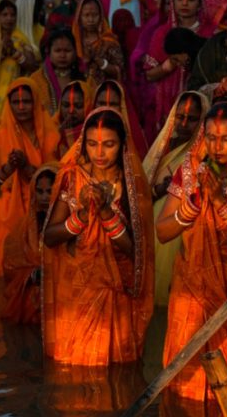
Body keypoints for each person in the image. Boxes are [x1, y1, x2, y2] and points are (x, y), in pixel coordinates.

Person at [155, 102, 227, 414]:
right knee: (186, 382)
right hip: (191, 290)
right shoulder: (190, 172)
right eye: (211, 137)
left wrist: (220, 201)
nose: (217, 147)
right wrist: (190, 210)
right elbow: (163, 231)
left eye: (226, 139)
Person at [42, 108, 154, 366]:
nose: (99, 153)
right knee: (74, 369)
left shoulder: (133, 185)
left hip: (116, 294)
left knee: (113, 370)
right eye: (92, 144)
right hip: (76, 293)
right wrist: (81, 217)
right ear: (83, 145)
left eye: (109, 144)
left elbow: (136, 251)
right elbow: (49, 237)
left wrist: (104, 212)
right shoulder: (73, 178)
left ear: (122, 145)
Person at [0, 78, 60, 277]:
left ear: (35, 102)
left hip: (44, 207)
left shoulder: (51, 136)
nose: (22, 107)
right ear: (9, 104)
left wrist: (27, 167)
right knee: (5, 273)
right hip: (8, 212)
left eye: (27, 101)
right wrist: (9, 167)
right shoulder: (1, 136)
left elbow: (57, 175)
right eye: (16, 102)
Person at [143, 91, 209, 306]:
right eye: (180, 117)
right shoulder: (161, 148)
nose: (183, 123)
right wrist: (158, 191)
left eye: (191, 119)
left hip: (182, 233)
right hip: (153, 229)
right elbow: (141, 190)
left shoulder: (204, 153)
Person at [140, 0, 216, 140]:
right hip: (167, 104)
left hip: (200, 102)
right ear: (172, 1)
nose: (185, 3)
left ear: (200, 3)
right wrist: (170, 64)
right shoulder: (161, 33)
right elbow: (149, 75)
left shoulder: (210, 33)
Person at [2, 164, 58, 325]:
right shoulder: (23, 228)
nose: (45, 197)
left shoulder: (68, 223)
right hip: (33, 292)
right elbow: (10, 264)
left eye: (50, 191)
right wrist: (32, 274)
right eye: (40, 192)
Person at [0, 0, 38, 128]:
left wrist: (14, 53)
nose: (9, 19)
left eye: (12, 15)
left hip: (15, 95)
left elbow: (32, 66)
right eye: (4, 15)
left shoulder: (21, 39)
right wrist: (0, 54)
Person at [29, 28, 84, 116]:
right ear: (49, 52)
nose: (62, 55)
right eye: (57, 51)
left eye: (67, 51)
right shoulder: (36, 79)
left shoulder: (85, 77)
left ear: (75, 52)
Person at [72, 0, 124, 84]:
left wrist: (99, 61)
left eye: (95, 15)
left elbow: (119, 71)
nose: (91, 20)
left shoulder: (109, 41)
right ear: (79, 17)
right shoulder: (73, 40)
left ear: (101, 16)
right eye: (86, 15)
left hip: (104, 92)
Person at [92, 80, 149, 157]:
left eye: (113, 104)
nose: (107, 109)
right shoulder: (84, 133)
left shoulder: (132, 138)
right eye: (102, 103)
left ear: (122, 107)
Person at [54, 80, 92, 157]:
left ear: (89, 106)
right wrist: (58, 135)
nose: (71, 111)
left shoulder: (93, 133)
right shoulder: (51, 127)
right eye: (66, 105)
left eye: (78, 106)